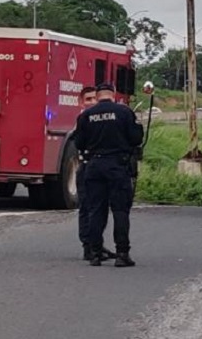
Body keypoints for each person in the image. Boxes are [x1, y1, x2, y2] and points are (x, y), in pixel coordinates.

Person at [75, 82, 144, 267]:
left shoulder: (87, 115)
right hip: (117, 166)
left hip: (94, 166)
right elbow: (136, 139)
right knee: (120, 211)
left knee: (96, 210)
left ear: (97, 96)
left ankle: (95, 253)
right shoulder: (124, 112)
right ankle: (122, 253)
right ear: (113, 95)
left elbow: (79, 143)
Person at [76, 86, 117, 262]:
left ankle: (96, 244)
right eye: (88, 99)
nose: (92, 102)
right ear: (81, 102)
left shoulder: (97, 118)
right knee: (87, 207)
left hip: (97, 166)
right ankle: (88, 246)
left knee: (100, 208)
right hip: (86, 166)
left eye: (94, 98)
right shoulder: (83, 119)